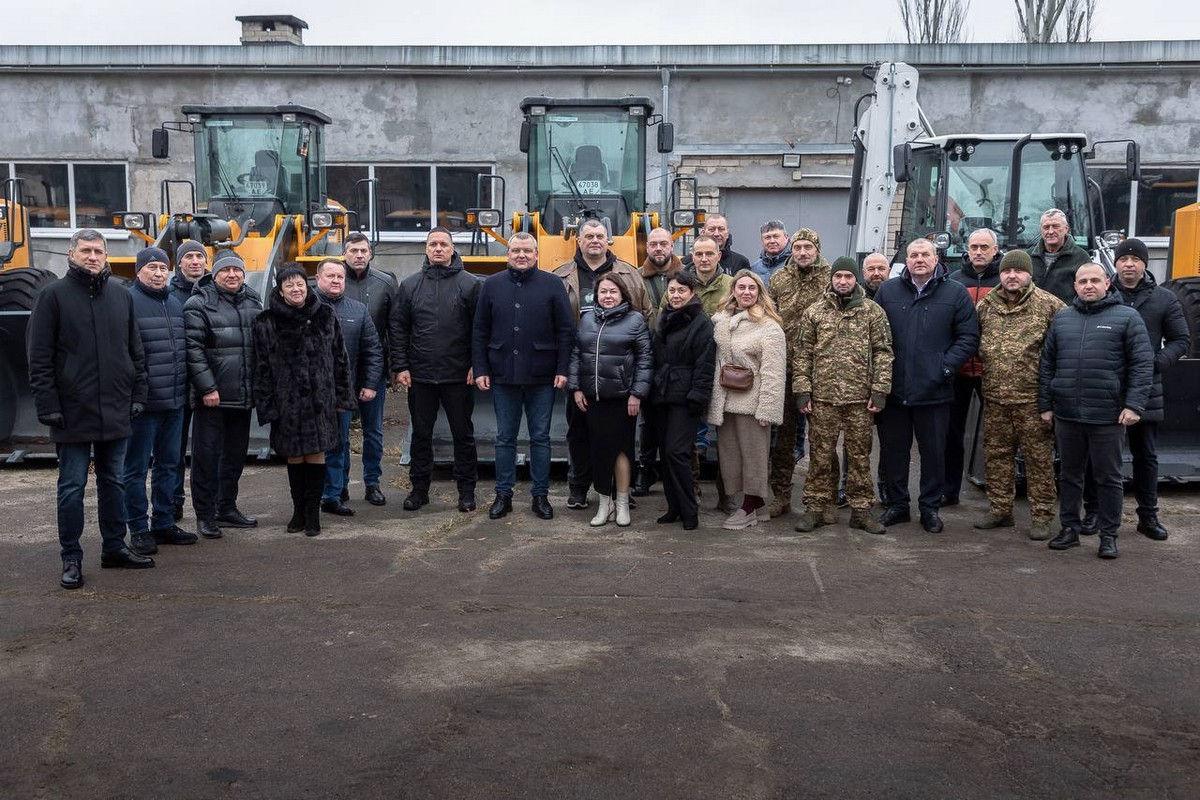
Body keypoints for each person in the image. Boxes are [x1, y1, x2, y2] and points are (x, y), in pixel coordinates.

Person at [27, 229, 152, 589]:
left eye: (99, 250)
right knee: (72, 487)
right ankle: (71, 557)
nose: (93, 256)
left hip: (116, 409)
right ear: (72, 253)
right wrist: (48, 405)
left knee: (114, 482)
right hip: (71, 411)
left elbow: (135, 351)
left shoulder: (120, 296)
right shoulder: (52, 297)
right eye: (86, 250)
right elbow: (39, 357)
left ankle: (114, 547)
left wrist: (137, 393)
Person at [1040, 263, 1153, 559]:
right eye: (1082, 281)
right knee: (1069, 476)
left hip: (1107, 416)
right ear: (1075, 286)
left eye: (1094, 280)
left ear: (1107, 283)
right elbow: (1047, 364)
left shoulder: (1127, 318)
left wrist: (1133, 404)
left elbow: (1142, 365)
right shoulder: (1063, 318)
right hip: (1067, 414)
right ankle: (1069, 530)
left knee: (1108, 478)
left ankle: (1109, 535)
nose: (1088, 285)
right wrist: (1046, 405)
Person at [873, 238, 980, 533]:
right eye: (914, 255)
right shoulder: (888, 291)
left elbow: (968, 336)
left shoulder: (955, 293)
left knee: (934, 453)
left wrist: (944, 367)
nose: (919, 259)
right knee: (894, 452)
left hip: (935, 391)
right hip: (894, 390)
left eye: (925, 254)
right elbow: (873, 334)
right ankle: (898, 505)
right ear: (906, 261)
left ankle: (930, 508)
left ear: (936, 259)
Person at [474, 232, 575, 521]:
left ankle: (540, 496)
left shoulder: (553, 284)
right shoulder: (491, 285)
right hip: (503, 374)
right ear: (508, 254)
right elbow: (480, 330)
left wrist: (562, 368)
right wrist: (481, 368)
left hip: (541, 375)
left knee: (540, 438)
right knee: (504, 437)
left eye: (527, 251)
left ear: (536, 254)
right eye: (516, 250)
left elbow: (565, 331)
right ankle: (503, 495)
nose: (521, 255)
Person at [554, 218, 650, 509]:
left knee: (621, 438)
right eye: (588, 236)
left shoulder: (630, 275)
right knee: (579, 433)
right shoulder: (560, 276)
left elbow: (646, 316)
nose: (594, 240)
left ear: (608, 240)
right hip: (581, 372)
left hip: (619, 376)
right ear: (578, 240)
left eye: (599, 235)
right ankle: (579, 487)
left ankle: (621, 490)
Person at [252, 265, 354, 536]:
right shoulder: (266, 322)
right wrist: (267, 406)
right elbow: (260, 368)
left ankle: (313, 514)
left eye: (300, 284)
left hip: (321, 401)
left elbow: (340, 359)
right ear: (280, 289)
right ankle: (298, 511)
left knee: (318, 454)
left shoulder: (325, 315)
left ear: (307, 286)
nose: (296, 290)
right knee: (295, 456)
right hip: (287, 404)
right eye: (289, 286)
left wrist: (343, 396)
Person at [794, 257, 893, 535]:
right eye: (838, 276)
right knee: (820, 456)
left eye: (848, 277)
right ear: (832, 278)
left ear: (855, 279)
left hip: (860, 400)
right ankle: (816, 508)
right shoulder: (815, 312)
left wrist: (880, 390)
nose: (842, 281)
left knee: (860, 456)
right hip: (823, 398)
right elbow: (802, 353)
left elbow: (884, 353)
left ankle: (861, 511)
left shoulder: (873, 312)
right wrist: (802, 390)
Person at [973, 250, 1065, 540]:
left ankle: (1041, 516)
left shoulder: (1050, 306)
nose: (1012, 276)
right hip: (996, 398)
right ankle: (1001, 509)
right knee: (997, 457)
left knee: (1039, 460)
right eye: (1006, 272)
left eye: (1018, 271)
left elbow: (1065, 348)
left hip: (1032, 401)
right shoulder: (986, 306)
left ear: (1029, 274)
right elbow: (972, 340)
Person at [391, 227, 481, 513]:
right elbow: (398, 328)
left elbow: (480, 330)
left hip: (458, 376)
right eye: (433, 244)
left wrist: (475, 365)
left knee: (463, 436)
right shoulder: (410, 285)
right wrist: (401, 366)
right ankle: (419, 490)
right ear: (426, 249)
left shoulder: (470, 285)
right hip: (421, 376)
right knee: (421, 435)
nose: (438, 248)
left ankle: (466, 492)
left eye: (444, 244)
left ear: (453, 249)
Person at [1112, 238, 1190, 541]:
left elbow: (1180, 340)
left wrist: (1157, 362)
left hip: (1147, 388)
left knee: (1146, 455)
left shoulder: (1164, 299)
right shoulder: (1105, 293)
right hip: (1110, 387)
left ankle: (1148, 515)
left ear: (1144, 263)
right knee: (1106, 457)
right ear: (1116, 263)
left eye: (1135, 259)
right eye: (1123, 259)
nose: (1129, 264)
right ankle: (1103, 515)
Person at [123, 247, 197, 556]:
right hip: (143, 405)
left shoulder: (175, 303)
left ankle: (163, 522)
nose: (157, 273)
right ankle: (139, 528)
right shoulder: (128, 303)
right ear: (138, 271)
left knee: (170, 465)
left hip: (174, 402)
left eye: (161, 268)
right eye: (151, 267)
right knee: (136, 469)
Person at [183, 251, 262, 540]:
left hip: (242, 396)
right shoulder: (199, 303)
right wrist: (207, 388)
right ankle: (205, 515)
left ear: (244, 274)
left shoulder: (253, 301)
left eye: (237, 270)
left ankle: (226, 507)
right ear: (213, 274)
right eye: (225, 270)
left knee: (234, 457)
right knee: (206, 458)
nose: (232, 274)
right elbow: (193, 350)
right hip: (212, 399)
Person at [568, 276, 654, 527]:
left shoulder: (635, 320)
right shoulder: (586, 319)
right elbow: (576, 355)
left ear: (622, 294)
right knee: (598, 451)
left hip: (622, 399)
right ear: (596, 295)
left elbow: (645, 360)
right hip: (593, 399)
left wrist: (637, 393)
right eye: (603, 291)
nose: (608, 296)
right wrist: (576, 389)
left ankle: (623, 503)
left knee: (621, 450)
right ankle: (604, 503)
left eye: (613, 291)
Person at [707, 269, 787, 530]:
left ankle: (749, 508)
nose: (746, 292)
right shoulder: (722, 321)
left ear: (759, 292)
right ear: (733, 291)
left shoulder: (769, 327)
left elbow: (774, 372)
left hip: (753, 403)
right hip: (726, 400)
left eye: (751, 288)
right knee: (731, 457)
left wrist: (768, 410)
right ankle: (759, 506)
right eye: (740, 287)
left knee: (753, 458)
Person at [765, 228, 831, 518]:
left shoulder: (831, 279)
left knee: (823, 439)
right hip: (787, 368)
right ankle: (781, 495)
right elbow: (767, 317)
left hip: (823, 371)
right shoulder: (779, 279)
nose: (802, 252)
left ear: (817, 249)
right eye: (798, 247)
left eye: (808, 247)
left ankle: (825, 499)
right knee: (785, 438)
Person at [313, 258, 384, 517]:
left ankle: (334, 493)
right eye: (330, 276)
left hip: (343, 391)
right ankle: (320, 492)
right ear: (318, 279)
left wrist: (370, 383)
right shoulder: (306, 309)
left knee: (339, 443)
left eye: (340, 277)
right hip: (312, 393)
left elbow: (373, 350)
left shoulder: (357, 310)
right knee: (314, 447)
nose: (335, 281)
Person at [648, 271, 716, 531]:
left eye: (681, 291)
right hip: (662, 395)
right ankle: (673, 507)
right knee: (665, 455)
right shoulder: (663, 318)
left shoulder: (701, 323)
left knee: (678, 453)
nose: (676, 295)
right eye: (672, 290)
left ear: (692, 293)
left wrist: (697, 397)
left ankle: (690, 510)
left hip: (685, 398)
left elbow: (705, 364)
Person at [943, 228, 1002, 506]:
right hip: (960, 369)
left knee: (997, 435)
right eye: (974, 247)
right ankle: (949, 490)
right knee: (951, 433)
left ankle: (999, 495)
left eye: (984, 247)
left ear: (995, 250)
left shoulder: (1006, 281)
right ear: (966, 249)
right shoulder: (954, 282)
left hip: (994, 370)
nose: (978, 252)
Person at [340, 232, 396, 506]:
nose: (359, 255)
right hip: (340, 373)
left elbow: (395, 328)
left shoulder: (385, 283)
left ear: (371, 253)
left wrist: (395, 367)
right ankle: (340, 484)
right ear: (344, 254)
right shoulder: (334, 282)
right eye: (353, 251)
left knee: (373, 432)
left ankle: (372, 483)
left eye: (363, 250)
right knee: (339, 432)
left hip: (374, 371)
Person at [633, 227, 683, 498]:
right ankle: (646, 467)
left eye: (664, 243)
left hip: (679, 359)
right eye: (653, 244)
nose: (658, 249)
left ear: (672, 246)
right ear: (647, 248)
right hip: (649, 356)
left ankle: (672, 470)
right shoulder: (636, 277)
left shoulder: (686, 276)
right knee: (647, 418)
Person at [169, 239, 209, 521]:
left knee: (207, 451)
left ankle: (210, 504)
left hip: (208, 385)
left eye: (199, 256)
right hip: (178, 384)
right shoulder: (167, 295)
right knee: (173, 450)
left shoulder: (214, 291)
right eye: (189, 257)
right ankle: (173, 501)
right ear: (179, 262)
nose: (195, 261)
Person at [1027, 208, 1091, 304]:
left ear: (1066, 228)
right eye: (1046, 227)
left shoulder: (1081, 258)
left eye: (1056, 226)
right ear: (1041, 230)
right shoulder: (1027, 257)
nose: (1050, 231)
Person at [683, 214, 751, 276]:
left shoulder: (740, 262)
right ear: (703, 232)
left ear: (727, 233)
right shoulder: (687, 262)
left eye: (721, 229)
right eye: (711, 229)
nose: (716, 234)